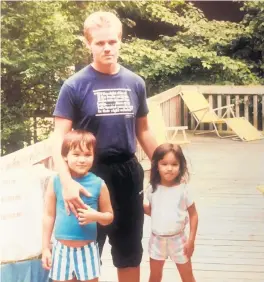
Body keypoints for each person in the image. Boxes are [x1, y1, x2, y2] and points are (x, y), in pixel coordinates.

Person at [51, 11, 157, 282]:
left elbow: (143, 131)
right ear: (88, 44)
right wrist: (67, 182)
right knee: (83, 249)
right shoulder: (74, 86)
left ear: (120, 40)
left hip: (127, 173)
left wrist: (167, 177)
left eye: (112, 41)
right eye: (99, 43)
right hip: (88, 176)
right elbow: (58, 139)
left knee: (129, 250)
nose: (107, 47)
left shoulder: (135, 83)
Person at [42, 130, 113, 282]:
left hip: (87, 251)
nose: (82, 160)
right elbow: (49, 215)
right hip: (61, 250)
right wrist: (45, 248)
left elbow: (109, 216)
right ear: (65, 157)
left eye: (87, 155)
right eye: (76, 154)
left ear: (94, 157)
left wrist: (95, 216)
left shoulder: (98, 184)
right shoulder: (55, 182)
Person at [144, 143, 198, 282]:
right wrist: (136, 204)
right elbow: (153, 211)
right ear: (157, 165)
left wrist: (191, 240)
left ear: (181, 166)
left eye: (174, 164)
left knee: (187, 276)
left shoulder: (183, 189)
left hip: (179, 240)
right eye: (164, 164)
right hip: (157, 240)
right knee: (155, 276)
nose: (169, 168)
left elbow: (193, 215)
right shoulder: (152, 188)